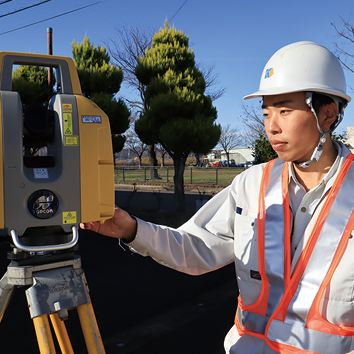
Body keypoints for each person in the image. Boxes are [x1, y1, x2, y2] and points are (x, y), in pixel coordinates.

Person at [81, 41, 354, 354]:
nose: (271, 127)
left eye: (285, 110)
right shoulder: (252, 184)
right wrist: (132, 229)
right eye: (266, 113)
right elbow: (196, 248)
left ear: (328, 114)